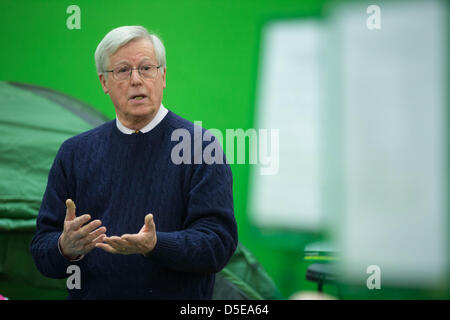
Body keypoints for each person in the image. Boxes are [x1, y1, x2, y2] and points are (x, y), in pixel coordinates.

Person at [30, 26, 238, 299]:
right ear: (104, 82)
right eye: (123, 70)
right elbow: (41, 250)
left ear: (162, 76)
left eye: (146, 68)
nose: (136, 80)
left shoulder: (200, 147)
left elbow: (218, 244)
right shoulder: (74, 153)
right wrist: (64, 246)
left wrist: (155, 244)